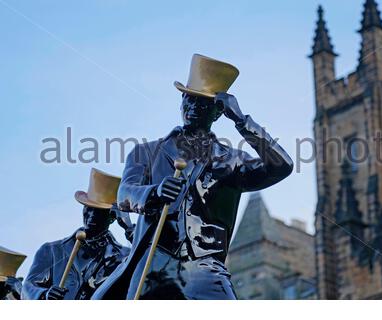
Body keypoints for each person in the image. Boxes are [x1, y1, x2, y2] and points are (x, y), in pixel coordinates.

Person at [93, 54, 293, 300]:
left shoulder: (233, 161)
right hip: (155, 267)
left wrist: (242, 121)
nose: (191, 108)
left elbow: (282, 166)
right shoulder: (146, 153)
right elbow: (124, 194)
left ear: (218, 113)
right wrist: (153, 192)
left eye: (201, 104)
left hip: (207, 270)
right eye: (187, 100)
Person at [22, 169, 131, 300]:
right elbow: (28, 287)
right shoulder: (52, 250)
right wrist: (43, 295)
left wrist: (128, 227)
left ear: (113, 217)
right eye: (88, 208)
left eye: (98, 212)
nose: (90, 216)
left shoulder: (124, 257)